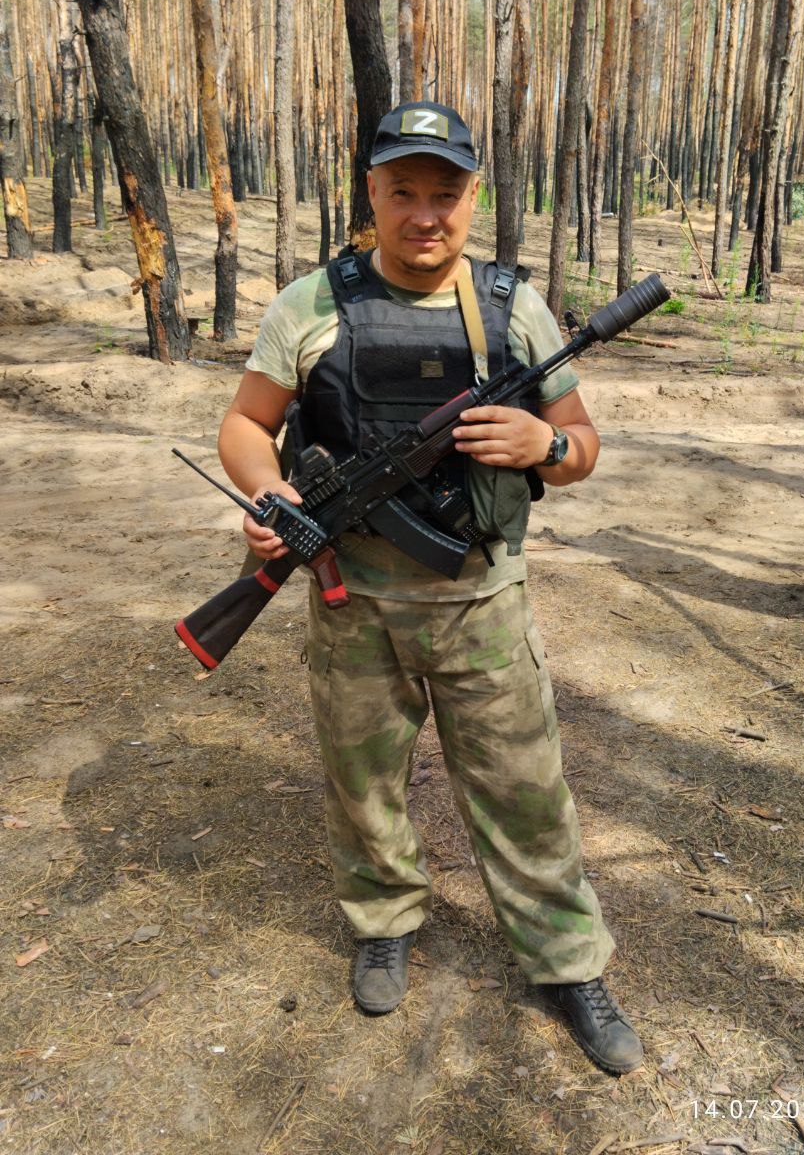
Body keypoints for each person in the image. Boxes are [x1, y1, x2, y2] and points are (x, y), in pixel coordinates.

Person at [217, 101, 644, 1074]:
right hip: (351, 604)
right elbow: (245, 424)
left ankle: (566, 959)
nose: (423, 214)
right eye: (401, 191)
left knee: (524, 789)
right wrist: (274, 495)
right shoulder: (311, 305)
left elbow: (582, 446)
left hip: (482, 605)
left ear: (471, 197)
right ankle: (382, 919)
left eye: (442, 194)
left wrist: (547, 444)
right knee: (364, 782)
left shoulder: (513, 308)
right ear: (371, 192)